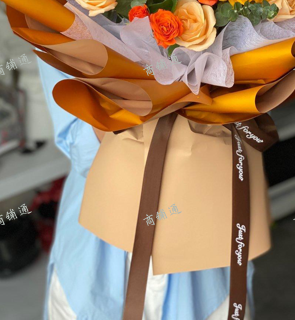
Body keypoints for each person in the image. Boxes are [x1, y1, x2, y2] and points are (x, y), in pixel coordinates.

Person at [38, 58, 255, 320]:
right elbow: (81, 146)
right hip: (102, 230)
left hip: (200, 212)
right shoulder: (69, 36)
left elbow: (249, 110)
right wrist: (137, 99)